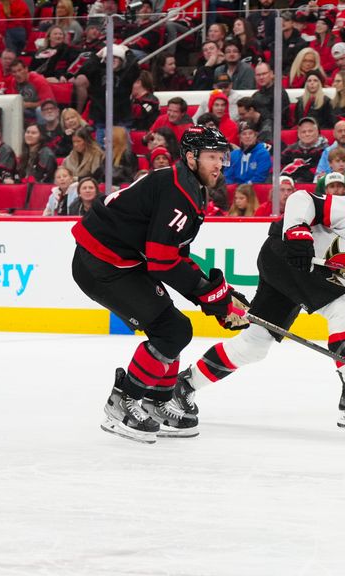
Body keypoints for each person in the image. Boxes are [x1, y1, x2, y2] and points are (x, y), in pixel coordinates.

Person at [172, 192, 345, 429]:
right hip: (283, 254)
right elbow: (302, 199)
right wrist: (298, 232)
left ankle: (185, 384)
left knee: (255, 344)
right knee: (344, 307)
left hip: (306, 275)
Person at [71, 126, 248, 444]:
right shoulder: (178, 190)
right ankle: (121, 402)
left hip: (121, 260)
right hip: (100, 264)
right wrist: (213, 297)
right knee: (172, 331)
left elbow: (175, 253)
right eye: (212, 157)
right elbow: (163, 261)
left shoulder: (189, 186)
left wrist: (216, 295)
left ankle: (157, 400)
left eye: (221, 158)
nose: (219, 164)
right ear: (191, 157)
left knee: (174, 328)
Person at [281, 117, 329, 183]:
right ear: (298, 134)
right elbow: (279, 166)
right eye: (303, 132)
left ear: (318, 132)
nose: (307, 134)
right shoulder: (290, 150)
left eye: (310, 131)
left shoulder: (326, 151)